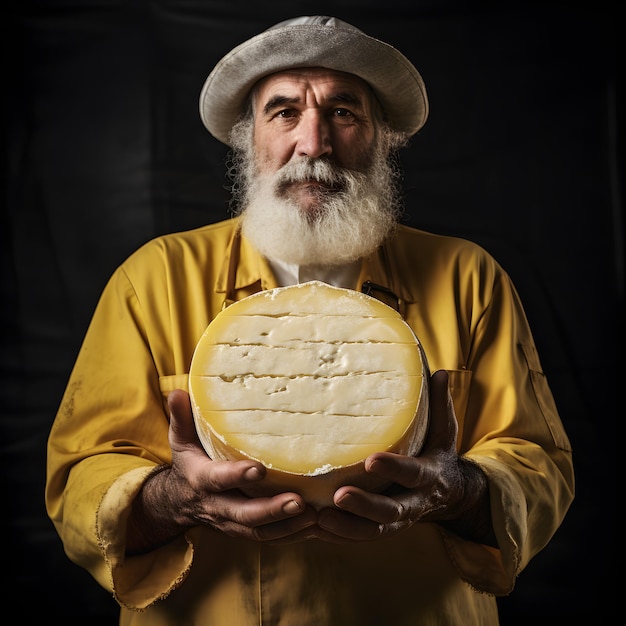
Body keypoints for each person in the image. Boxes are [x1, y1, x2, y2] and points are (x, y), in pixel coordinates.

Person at [45, 15, 575, 625]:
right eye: (284, 113)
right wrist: (176, 499)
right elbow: (79, 478)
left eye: (344, 113)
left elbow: (539, 466)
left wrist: (453, 491)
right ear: (250, 140)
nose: (314, 143)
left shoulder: (467, 277)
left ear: (383, 139)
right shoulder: (154, 279)